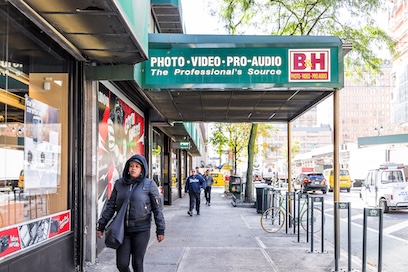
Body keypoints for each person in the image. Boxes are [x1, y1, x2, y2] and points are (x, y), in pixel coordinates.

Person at [97, 154, 165, 272]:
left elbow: (157, 208)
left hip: (141, 229)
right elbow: (110, 207)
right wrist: (101, 225)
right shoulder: (119, 184)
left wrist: (160, 229)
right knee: (122, 264)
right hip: (123, 230)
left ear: (142, 169)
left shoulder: (149, 184)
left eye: (137, 166)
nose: (133, 168)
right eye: (131, 166)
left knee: (137, 263)